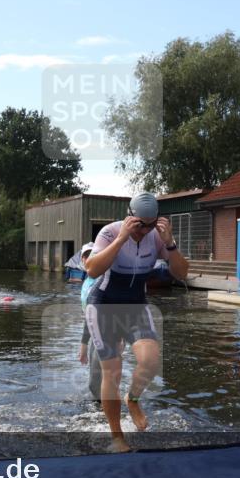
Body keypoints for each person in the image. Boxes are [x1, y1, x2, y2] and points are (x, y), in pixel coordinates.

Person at [84, 192, 189, 451]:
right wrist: (121, 239)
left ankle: (133, 400)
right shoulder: (110, 232)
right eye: (139, 224)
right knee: (113, 372)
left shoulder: (157, 237)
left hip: (135, 306)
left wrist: (170, 244)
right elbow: (92, 270)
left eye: (150, 225)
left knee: (151, 361)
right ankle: (117, 436)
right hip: (104, 305)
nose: (144, 231)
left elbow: (181, 273)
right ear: (129, 216)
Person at [75, 243, 102, 400]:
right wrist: (84, 343)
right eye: (86, 255)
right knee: (96, 384)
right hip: (95, 334)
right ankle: (102, 414)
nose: (90, 258)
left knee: (96, 383)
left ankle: (108, 417)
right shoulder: (87, 281)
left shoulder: (103, 279)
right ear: (82, 260)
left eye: (94, 254)